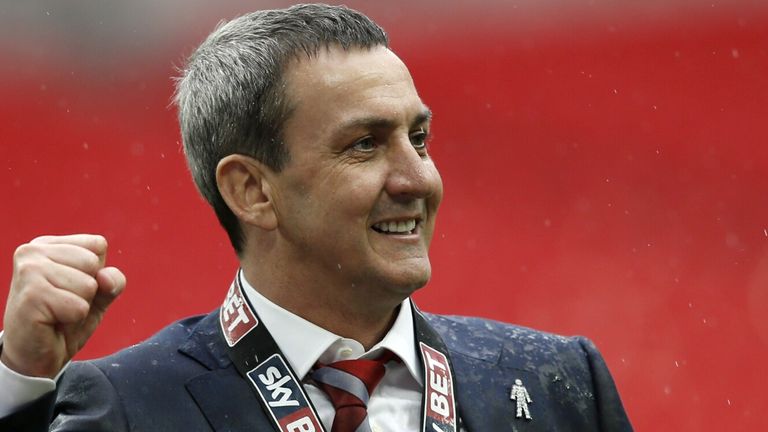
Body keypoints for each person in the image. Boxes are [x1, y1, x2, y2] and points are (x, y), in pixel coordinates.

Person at [0, 4, 633, 431]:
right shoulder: (131, 407)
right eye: (363, 145)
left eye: (419, 138)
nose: (417, 178)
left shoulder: (555, 386)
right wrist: (20, 383)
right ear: (251, 191)